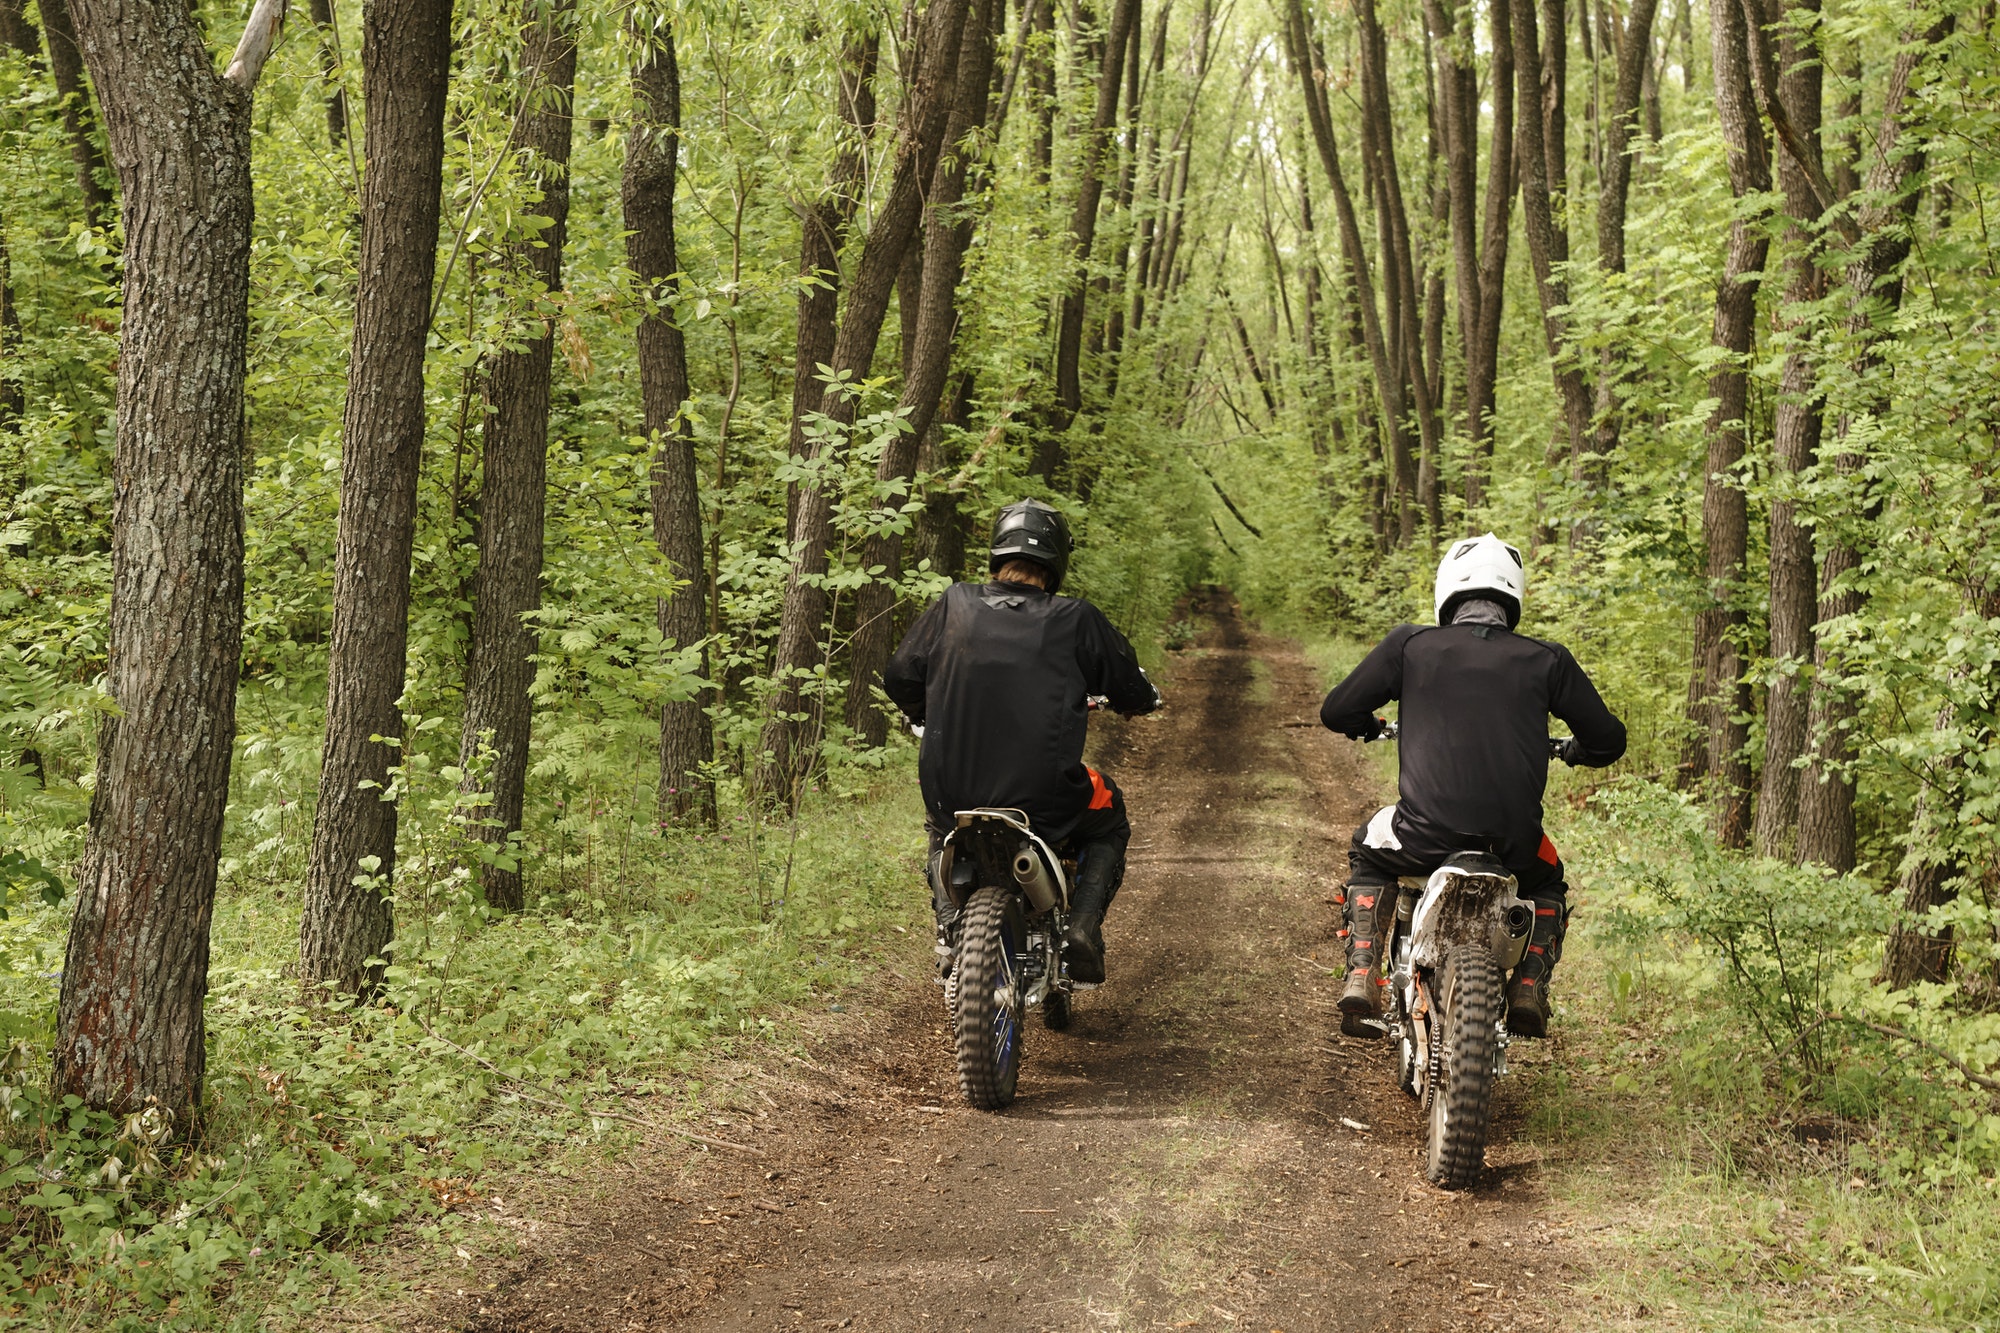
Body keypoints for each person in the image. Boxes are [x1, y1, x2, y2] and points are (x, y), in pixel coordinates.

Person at [1318, 533, 1626, 1039]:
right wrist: (1576, 751)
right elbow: (1609, 740)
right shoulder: (1548, 659)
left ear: (1448, 593)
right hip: (1514, 846)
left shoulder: (1410, 645)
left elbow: (1336, 710)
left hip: (1420, 837)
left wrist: (1369, 725)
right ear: (1512, 597)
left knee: (1367, 848)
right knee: (1548, 882)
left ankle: (1362, 969)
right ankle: (1528, 985)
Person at [883, 499, 1161, 984]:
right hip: (1044, 797)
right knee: (1109, 813)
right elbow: (1128, 686)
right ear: (1056, 561)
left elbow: (900, 674)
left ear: (997, 552)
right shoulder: (1075, 618)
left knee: (939, 823)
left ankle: (950, 921)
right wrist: (1140, 700)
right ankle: (1081, 928)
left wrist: (923, 713)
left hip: (953, 792)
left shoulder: (954, 604)